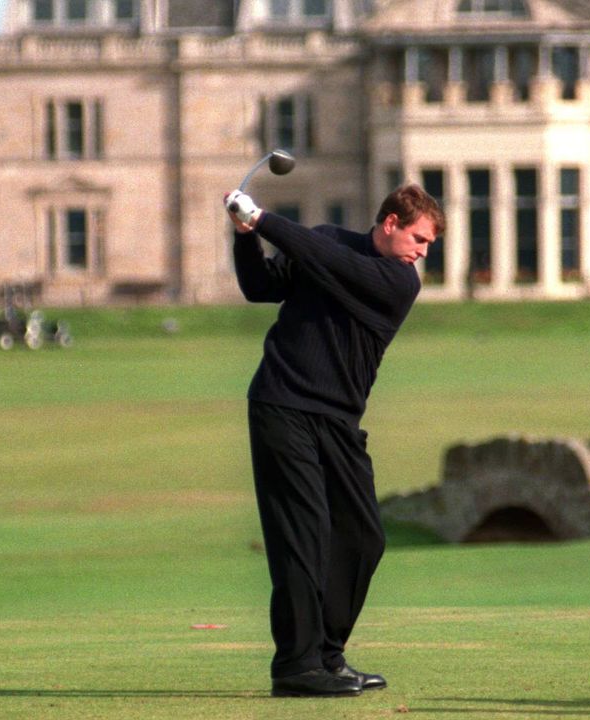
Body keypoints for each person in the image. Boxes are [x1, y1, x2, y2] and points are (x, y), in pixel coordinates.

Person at [224, 183, 444, 698]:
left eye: (429, 244)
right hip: (283, 406)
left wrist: (265, 219)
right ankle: (296, 665)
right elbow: (261, 286)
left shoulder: (397, 282)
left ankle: (326, 653)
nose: (423, 251)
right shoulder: (326, 242)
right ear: (389, 222)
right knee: (302, 537)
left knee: (364, 535)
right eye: (419, 237)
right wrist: (244, 236)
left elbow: (332, 264)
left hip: (340, 421)